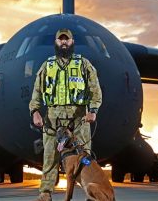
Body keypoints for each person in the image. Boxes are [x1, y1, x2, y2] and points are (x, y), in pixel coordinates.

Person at [29, 28, 102, 201]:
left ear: (72, 42)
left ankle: (89, 193)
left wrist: (93, 110)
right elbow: (37, 92)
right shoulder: (47, 66)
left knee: (84, 158)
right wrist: (35, 111)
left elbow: (95, 90)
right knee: (50, 156)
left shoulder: (84, 64)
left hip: (78, 117)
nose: (63, 42)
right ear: (55, 42)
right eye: (60, 40)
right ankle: (45, 193)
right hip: (53, 118)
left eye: (66, 40)